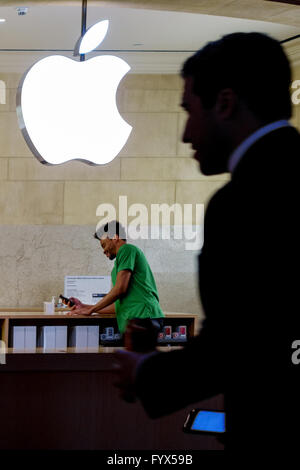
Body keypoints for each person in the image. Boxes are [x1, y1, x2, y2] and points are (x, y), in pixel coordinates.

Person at [116, 32, 300, 451]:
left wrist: (144, 373)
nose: (185, 135)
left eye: (188, 111)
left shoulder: (242, 201)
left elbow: (240, 344)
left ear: (224, 103)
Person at [69, 221, 164, 341]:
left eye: (104, 245)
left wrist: (91, 310)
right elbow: (117, 305)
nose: (103, 251)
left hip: (143, 317)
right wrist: (86, 306)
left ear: (115, 237)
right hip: (133, 320)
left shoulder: (127, 250)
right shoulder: (117, 267)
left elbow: (119, 289)